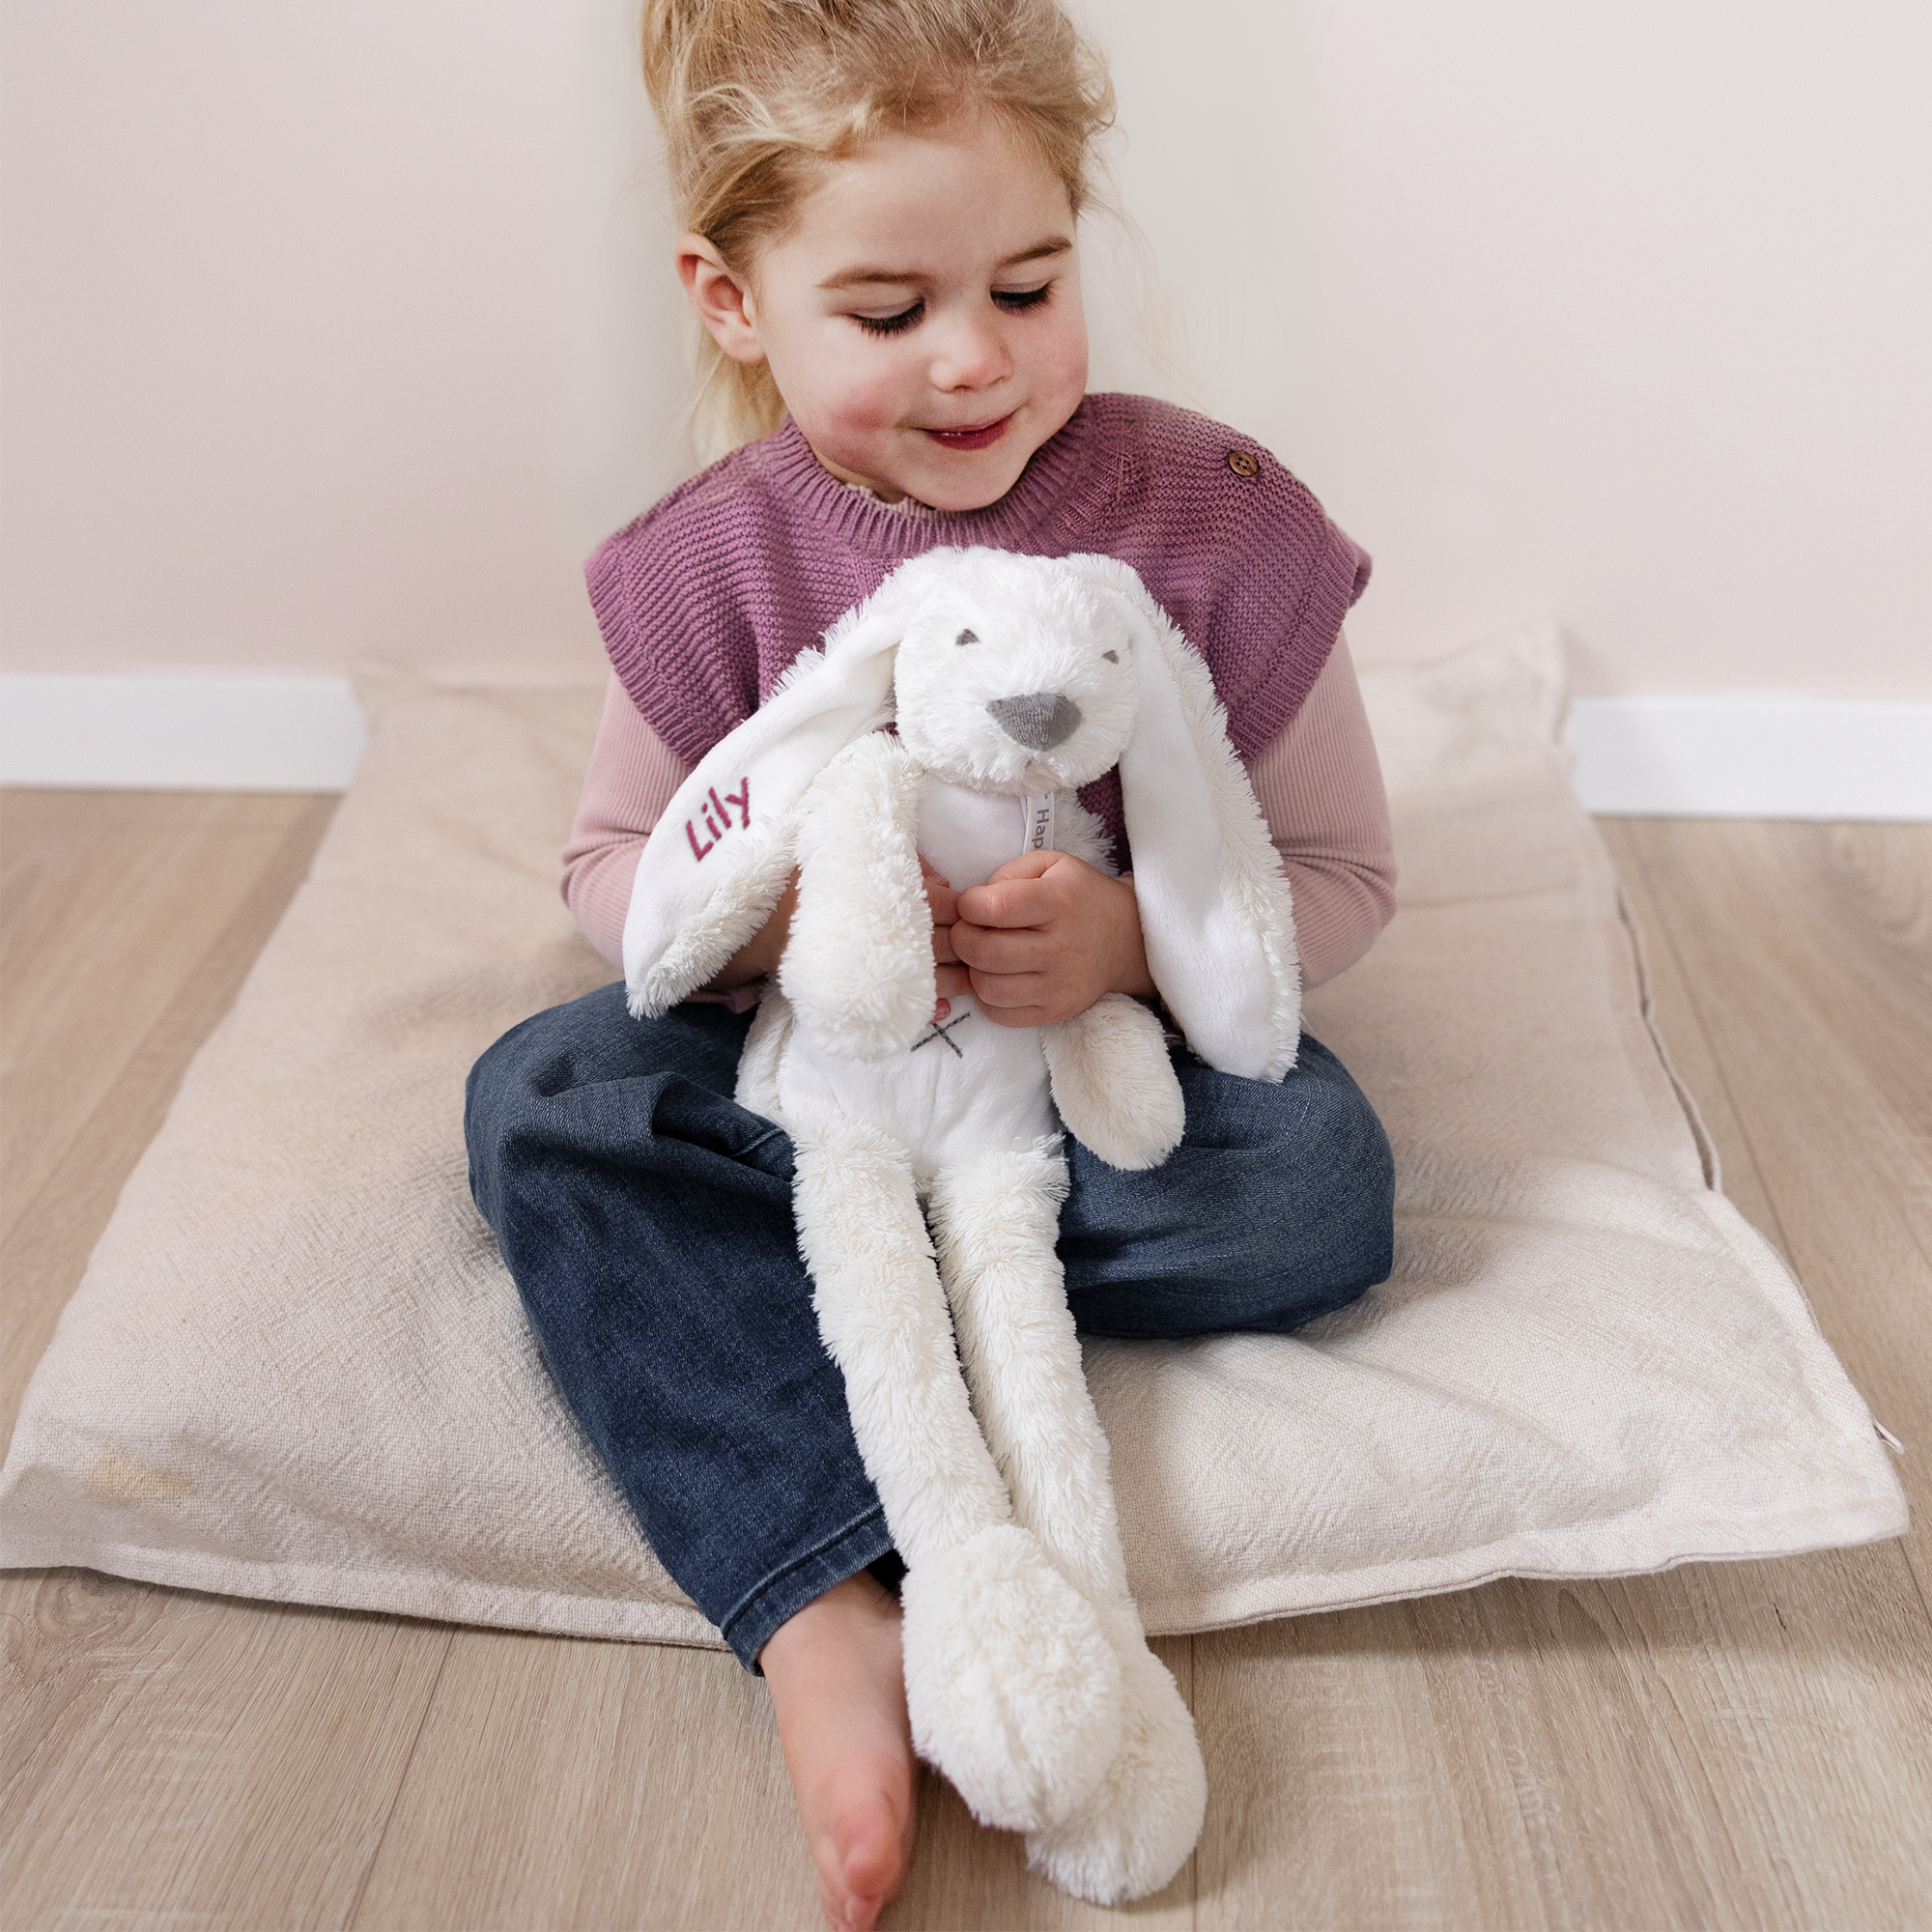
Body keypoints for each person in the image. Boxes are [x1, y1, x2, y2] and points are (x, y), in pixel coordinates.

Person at [465, 2, 1398, 1924]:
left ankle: (858, 1297)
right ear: (733, 299)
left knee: (1321, 1175)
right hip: (826, 1096)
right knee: (536, 1097)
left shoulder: (1215, 522)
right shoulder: (709, 561)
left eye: (1031, 285)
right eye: (886, 313)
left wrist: (1137, 944)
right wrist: (782, 922)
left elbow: (1337, 873)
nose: (976, 361)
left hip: (1077, 1097)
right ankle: (819, 1596)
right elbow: (609, 871)